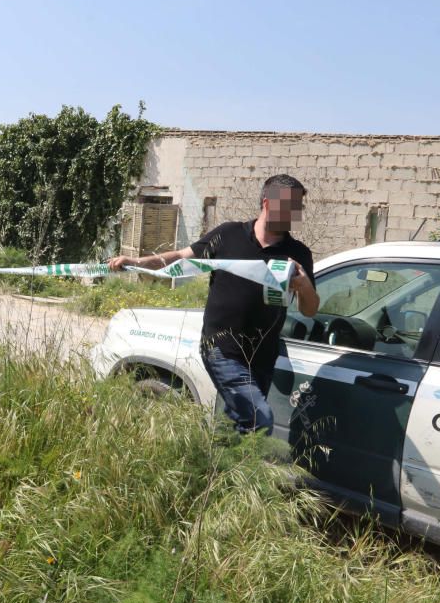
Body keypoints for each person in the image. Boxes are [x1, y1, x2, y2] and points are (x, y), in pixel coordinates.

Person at [109, 174, 320, 439]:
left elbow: (310, 309)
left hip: (262, 356)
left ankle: (219, 472)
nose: (297, 212)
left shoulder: (298, 253)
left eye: (299, 206)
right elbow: (179, 259)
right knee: (259, 418)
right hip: (221, 348)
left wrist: (304, 287)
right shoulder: (228, 235)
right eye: (292, 206)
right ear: (268, 203)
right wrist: (136, 261)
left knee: (236, 428)